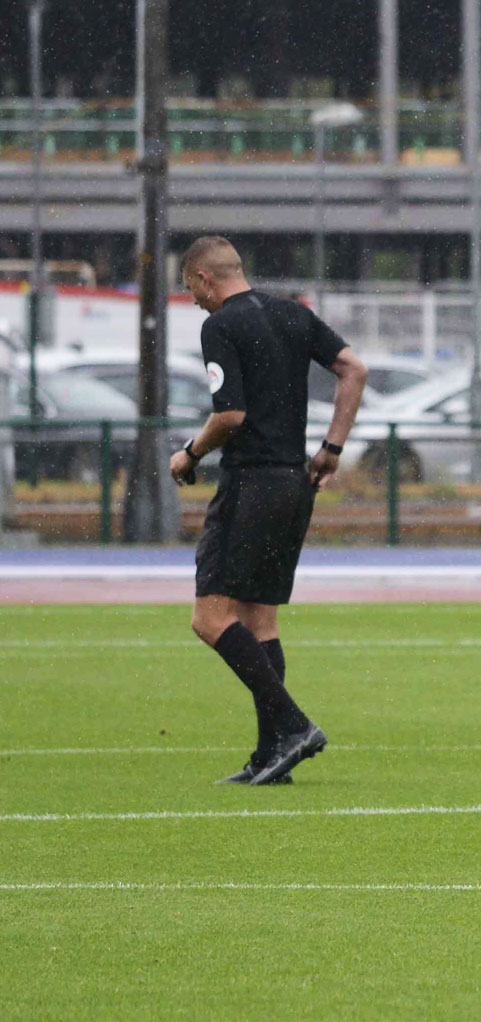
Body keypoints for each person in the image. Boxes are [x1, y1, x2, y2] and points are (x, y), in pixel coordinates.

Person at [170, 236, 368, 785]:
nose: (194, 302)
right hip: (293, 482)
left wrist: (188, 454)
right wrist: (331, 449)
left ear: (206, 279)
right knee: (260, 620)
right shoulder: (292, 314)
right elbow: (354, 369)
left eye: (191, 289)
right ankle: (269, 757)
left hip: (250, 483)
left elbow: (229, 414)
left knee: (209, 619)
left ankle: (294, 724)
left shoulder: (221, 325)